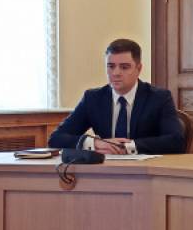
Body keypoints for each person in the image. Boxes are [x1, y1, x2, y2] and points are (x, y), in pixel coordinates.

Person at [49, 38, 185, 154]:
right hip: (104, 170)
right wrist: (95, 143)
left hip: (145, 171)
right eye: (111, 66)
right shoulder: (93, 98)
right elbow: (56, 138)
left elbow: (176, 141)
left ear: (138, 69)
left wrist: (128, 147)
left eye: (124, 67)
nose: (116, 73)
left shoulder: (159, 98)